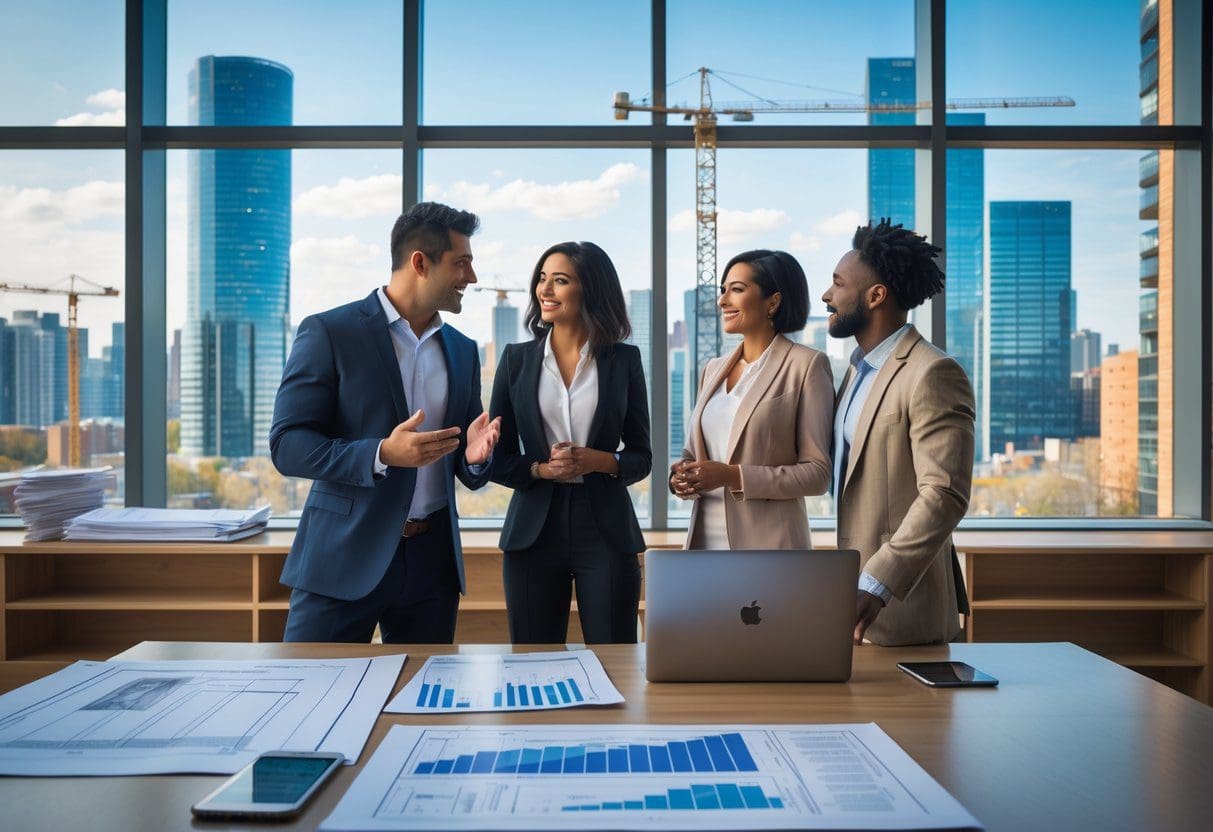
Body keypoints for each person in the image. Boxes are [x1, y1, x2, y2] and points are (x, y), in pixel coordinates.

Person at [269, 202, 501, 644]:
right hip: (342, 558)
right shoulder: (330, 332)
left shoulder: (463, 350)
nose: (471, 278)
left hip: (431, 568)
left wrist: (473, 459)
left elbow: (465, 460)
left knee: (426, 708)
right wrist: (380, 454)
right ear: (420, 262)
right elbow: (287, 445)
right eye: (461, 263)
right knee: (314, 699)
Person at [823, 218, 975, 646]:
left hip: (904, 607)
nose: (827, 295)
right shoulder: (856, 370)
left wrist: (876, 583)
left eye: (837, 284)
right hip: (853, 603)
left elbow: (944, 494)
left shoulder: (933, 372)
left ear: (875, 296)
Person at [489, 241, 651, 644]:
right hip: (533, 529)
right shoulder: (515, 360)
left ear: (591, 290)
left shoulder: (623, 361)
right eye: (542, 279)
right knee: (532, 660)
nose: (545, 290)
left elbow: (641, 457)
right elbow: (498, 458)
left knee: (615, 657)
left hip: (606, 528)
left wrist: (599, 460)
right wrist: (541, 469)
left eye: (559, 280)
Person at [670, 249, 833, 549]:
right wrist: (680, 476)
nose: (722, 301)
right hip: (706, 544)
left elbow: (817, 474)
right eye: (723, 291)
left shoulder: (807, 366)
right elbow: (693, 454)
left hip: (769, 547)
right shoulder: (712, 369)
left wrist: (732, 476)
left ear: (773, 301)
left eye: (737, 290)